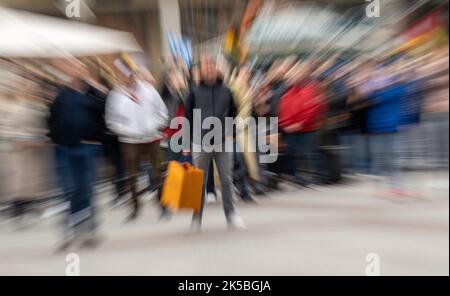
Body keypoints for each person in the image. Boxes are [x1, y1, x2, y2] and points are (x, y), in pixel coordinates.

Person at [184, 55, 246, 230]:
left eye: (211, 64)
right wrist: (186, 144)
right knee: (199, 183)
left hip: (222, 142)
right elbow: (187, 118)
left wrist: (230, 132)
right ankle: (196, 219)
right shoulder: (193, 92)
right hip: (200, 142)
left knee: (226, 180)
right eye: (206, 65)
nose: (209, 68)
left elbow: (234, 112)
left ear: (216, 68)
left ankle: (231, 215)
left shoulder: (226, 91)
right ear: (201, 70)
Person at [48, 61, 104, 249]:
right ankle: (68, 233)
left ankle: (89, 231)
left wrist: (96, 138)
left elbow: (104, 110)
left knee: (86, 190)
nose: (74, 71)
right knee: (69, 191)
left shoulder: (92, 95)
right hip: (64, 150)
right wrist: (56, 139)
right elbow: (52, 118)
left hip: (87, 149)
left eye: (79, 68)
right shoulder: (62, 95)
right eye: (71, 67)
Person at [105, 58, 168, 222]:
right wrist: (127, 130)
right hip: (130, 141)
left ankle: (163, 205)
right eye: (125, 75)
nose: (129, 78)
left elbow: (162, 112)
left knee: (156, 173)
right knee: (132, 176)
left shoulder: (149, 90)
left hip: (151, 138)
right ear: (120, 76)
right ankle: (134, 208)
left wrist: (154, 125)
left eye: (131, 74)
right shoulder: (116, 96)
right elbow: (111, 120)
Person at [278, 62, 327, 185]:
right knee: (291, 153)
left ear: (305, 74)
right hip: (292, 129)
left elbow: (312, 108)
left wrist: (300, 124)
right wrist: (285, 124)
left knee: (311, 152)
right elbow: (284, 108)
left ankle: (318, 177)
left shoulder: (313, 88)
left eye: (297, 73)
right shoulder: (289, 92)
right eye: (293, 74)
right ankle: (295, 177)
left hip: (307, 128)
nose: (293, 76)